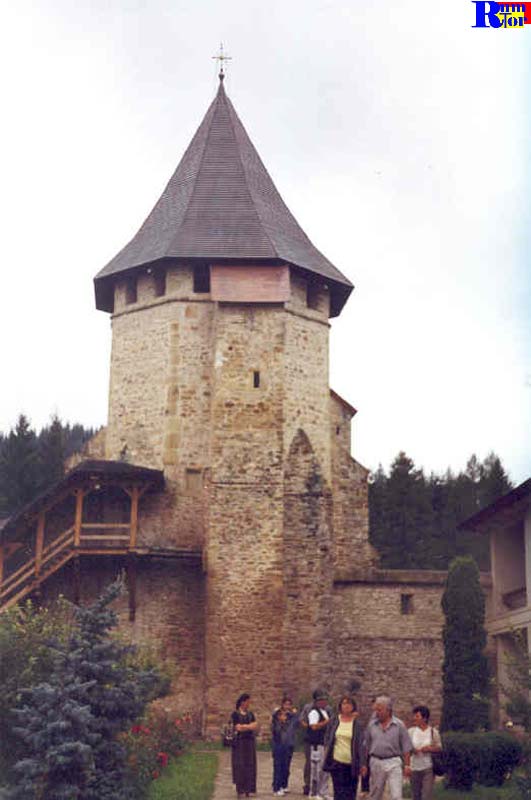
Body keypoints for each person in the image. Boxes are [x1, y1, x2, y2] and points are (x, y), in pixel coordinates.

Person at [361, 695, 412, 800]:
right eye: (376, 710)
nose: (377, 713)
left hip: (394, 761)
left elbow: (406, 746)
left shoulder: (399, 725)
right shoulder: (371, 725)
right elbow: (366, 746)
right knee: (375, 794)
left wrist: (407, 765)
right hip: (376, 761)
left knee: (396, 795)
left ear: (388, 710)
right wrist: (364, 764)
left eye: (379, 710)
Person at [323, 695, 363, 800]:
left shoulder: (357, 724)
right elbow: (328, 737)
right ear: (340, 706)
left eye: (349, 704)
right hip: (337, 761)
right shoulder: (334, 721)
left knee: (350, 792)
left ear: (353, 706)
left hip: (351, 763)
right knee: (339, 792)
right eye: (344, 703)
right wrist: (327, 752)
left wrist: (363, 763)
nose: (346, 706)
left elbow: (361, 744)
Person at [300, 690, 333, 797]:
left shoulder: (327, 710)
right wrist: (309, 727)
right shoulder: (310, 710)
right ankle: (310, 787)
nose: (325, 702)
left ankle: (322, 789)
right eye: (322, 700)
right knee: (312, 765)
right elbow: (305, 722)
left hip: (324, 741)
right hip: (313, 741)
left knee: (323, 766)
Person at [407, 705, 441, 800]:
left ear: (425, 718)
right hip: (414, 768)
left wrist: (429, 749)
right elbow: (405, 749)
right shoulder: (411, 732)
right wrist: (412, 751)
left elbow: (439, 748)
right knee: (416, 796)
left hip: (428, 768)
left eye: (417, 716)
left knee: (426, 796)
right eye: (414, 716)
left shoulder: (433, 732)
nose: (414, 718)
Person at [230, 693, 258, 798]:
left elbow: (255, 725)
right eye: (247, 702)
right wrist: (248, 726)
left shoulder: (251, 714)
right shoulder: (235, 714)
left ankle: (250, 788)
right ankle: (240, 789)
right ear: (243, 702)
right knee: (240, 765)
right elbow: (237, 727)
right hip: (239, 743)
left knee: (250, 764)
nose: (249, 704)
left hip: (249, 742)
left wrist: (245, 726)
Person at [271, 695, 299, 796]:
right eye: (285, 704)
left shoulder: (292, 717)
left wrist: (294, 714)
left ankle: (283, 784)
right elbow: (276, 731)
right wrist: (280, 718)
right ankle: (276, 787)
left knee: (286, 767)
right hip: (279, 745)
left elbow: (297, 722)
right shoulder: (277, 717)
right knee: (278, 766)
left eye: (289, 704)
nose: (287, 706)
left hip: (289, 744)